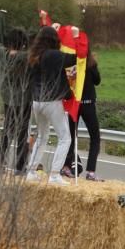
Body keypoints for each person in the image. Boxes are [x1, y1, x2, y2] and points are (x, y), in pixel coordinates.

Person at [26, 25, 76, 185]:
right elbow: (73, 59)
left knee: (42, 137)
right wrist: (74, 38)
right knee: (65, 138)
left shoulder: (34, 55)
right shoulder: (53, 55)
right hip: (52, 101)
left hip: (36, 101)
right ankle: (54, 175)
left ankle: (31, 171)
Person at [0, 11, 31, 174]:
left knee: (7, 130)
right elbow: (40, 50)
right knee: (22, 133)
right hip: (24, 99)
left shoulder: (2, 54)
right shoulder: (27, 57)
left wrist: (0, 16)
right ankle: (20, 167)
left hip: (7, 98)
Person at [65, 51, 104, 181]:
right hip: (88, 104)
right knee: (95, 137)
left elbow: (68, 84)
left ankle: (66, 167)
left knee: (70, 137)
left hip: (74, 104)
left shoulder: (70, 63)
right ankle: (91, 171)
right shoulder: (90, 63)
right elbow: (97, 81)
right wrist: (93, 64)